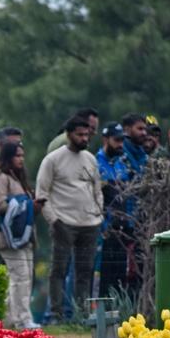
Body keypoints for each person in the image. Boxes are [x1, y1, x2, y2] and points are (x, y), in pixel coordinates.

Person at [37, 115, 103, 320]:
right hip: (63, 223)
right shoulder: (53, 159)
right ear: (69, 134)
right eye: (79, 134)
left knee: (85, 272)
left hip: (90, 225)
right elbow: (41, 194)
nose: (84, 138)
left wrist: (98, 214)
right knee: (59, 270)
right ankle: (56, 313)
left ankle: (81, 315)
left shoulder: (90, 159)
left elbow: (97, 190)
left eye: (87, 135)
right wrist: (54, 221)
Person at [0, 141, 40, 329]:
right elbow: (0, 204)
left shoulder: (17, 178)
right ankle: (22, 320)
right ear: (8, 157)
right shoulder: (0, 177)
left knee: (24, 278)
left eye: (22, 156)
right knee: (20, 277)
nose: (21, 159)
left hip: (24, 237)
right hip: (8, 237)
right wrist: (25, 204)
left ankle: (11, 318)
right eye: (17, 155)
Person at [96, 123, 132, 298]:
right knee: (103, 272)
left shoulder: (121, 162)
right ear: (106, 139)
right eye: (116, 140)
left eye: (122, 141)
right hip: (103, 226)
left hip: (121, 226)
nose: (120, 145)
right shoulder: (96, 161)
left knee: (119, 272)